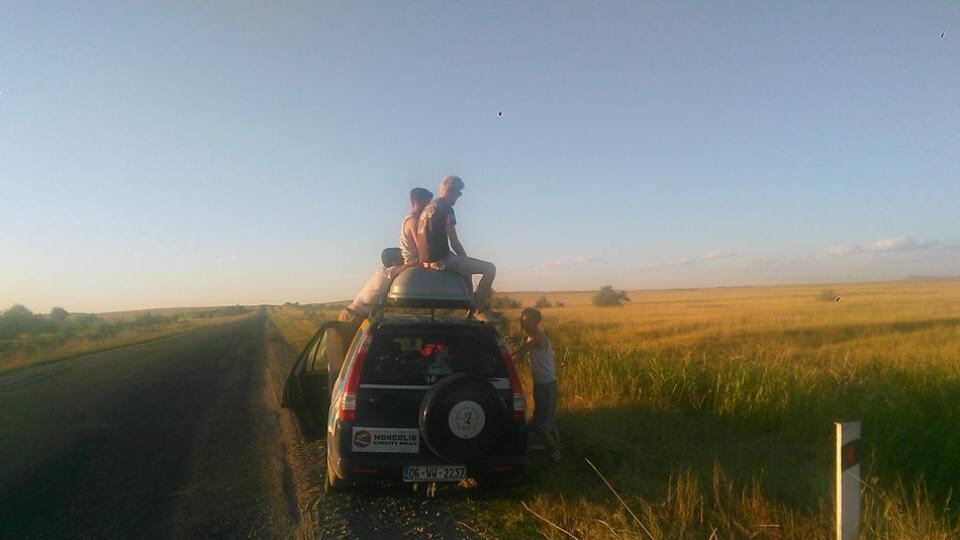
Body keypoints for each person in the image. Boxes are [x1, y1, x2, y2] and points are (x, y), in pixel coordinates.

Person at [416, 175, 496, 313]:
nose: (458, 198)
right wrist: (465, 259)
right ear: (450, 191)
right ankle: (478, 307)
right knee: (490, 269)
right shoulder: (446, 209)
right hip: (441, 260)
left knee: (465, 269)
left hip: (426, 260)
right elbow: (454, 241)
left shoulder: (428, 209)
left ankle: (470, 302)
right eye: (458, 194)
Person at [511, 307, 561, 463]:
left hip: (547, 386)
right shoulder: (530, 337)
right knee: (544, 419)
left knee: (542, 426)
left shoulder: (538, 336)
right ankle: (555, 448)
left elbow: (523, 350)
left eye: (526, 320)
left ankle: (555, 456)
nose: (523, 323)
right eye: (522, 320)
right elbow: (520, 354)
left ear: (535, 321)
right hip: (540, 385)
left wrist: (507, 356)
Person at [338, 248, 405, 330]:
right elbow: (409, 266)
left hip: (353, 314)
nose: (403, 261)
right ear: (394, 262)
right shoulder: (388, 272)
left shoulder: (383, 272)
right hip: (352, 316)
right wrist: (418, 261)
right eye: (402, 258)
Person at [400, 187, 433, 266]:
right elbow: (422, 249)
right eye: (427, 203)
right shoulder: (413, 221)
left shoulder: (417, 220)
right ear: (417, 202)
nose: (429, 206)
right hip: (415, 262)